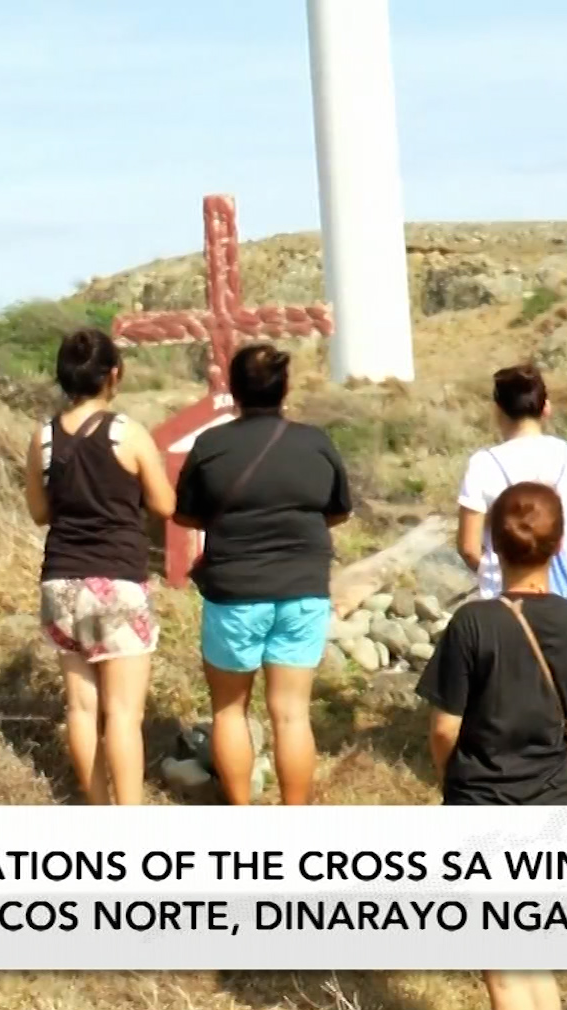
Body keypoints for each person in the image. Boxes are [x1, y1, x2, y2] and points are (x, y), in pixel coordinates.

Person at [419, 481, 567, 1010]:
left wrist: (453, 778)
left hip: (484, 807)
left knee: (502, 970)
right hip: (552, 804)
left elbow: (444, 728)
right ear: (560, 542)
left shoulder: (472, 624)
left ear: (493, 545)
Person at [174, 343, 352, 806]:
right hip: (303, 590)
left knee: (229, 711)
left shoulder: (211, 446)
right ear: (284, 388)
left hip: (235, 592)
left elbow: (186, 515)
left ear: (233, 389)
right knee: (292, 714)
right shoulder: (315, 442)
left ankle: (241, 817)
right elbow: (337, 511)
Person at [23, 328, 177, 806]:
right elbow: (165, 505)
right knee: (124, 714)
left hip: (61, 582)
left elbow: (39, 512)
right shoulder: (126, 433)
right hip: (116, 581)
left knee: (81, 708)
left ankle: (96, 807)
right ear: (114, 374)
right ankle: (127, 822)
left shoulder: (44, 437)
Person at [457, 365, 567, 599]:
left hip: (504, 595)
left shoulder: (483, 463)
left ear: (498, 410)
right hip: (565, 592)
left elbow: (468, 548)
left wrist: (492, 575)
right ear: (546, 407)